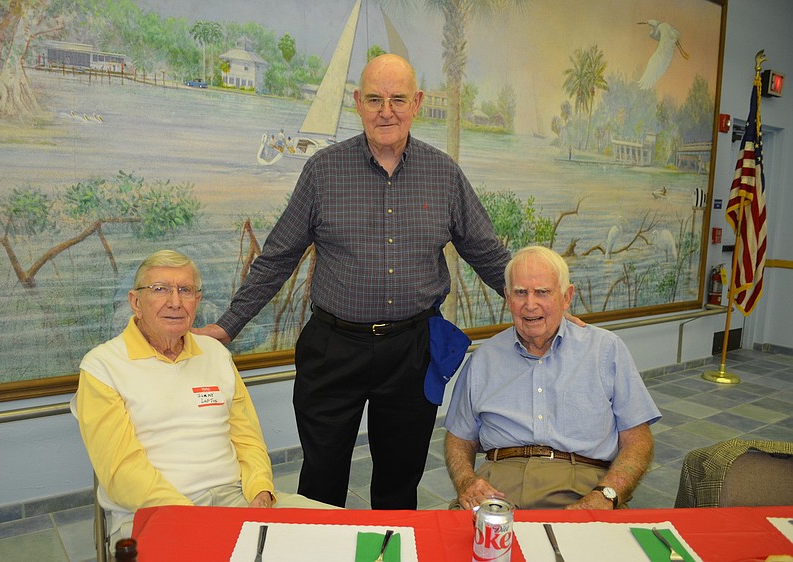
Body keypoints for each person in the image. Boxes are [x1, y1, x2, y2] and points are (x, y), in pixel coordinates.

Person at [194, 53, 512, 510]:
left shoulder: (444, 174)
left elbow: (487, 253)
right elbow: (277, 258)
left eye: (398, 99)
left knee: (399, 485)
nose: (387, 111)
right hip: (333, 350)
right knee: (320, 484)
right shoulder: (323, 171)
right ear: (358, 103)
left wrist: (540, 308)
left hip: (412, 351)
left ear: (417, 102)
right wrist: (227, 326)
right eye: (376, 99)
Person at [71, 250, 328, 545]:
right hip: (153, 511)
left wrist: (260, 490)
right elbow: (121, 471)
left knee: (337, 535)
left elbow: (248, 439)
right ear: (135, 302)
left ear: (197, 300)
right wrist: (195, 518)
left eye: (186, 290)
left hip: (237, 497)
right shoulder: (102, 367)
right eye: (160, 290)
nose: (175, 302)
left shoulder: (215, 353)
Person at [444, 245, 660, 510]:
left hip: (582, 486)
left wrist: (607, 495)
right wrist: (467, 481)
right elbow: (459, 438)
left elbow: (638, 440)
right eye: (520, 292)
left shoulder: (605, 350)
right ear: (508, 297)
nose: (529, 304)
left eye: (542, 292)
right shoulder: (483, 359)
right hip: (498, 490)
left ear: (566, 297)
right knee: (453, 546)